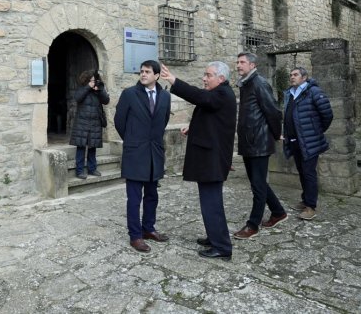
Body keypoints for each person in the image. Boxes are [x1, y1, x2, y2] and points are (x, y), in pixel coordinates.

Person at [160, 61, 236, 261]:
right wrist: (192, 128)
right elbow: (212, 121)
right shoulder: (219, 94)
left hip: (212, 159)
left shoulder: (222, 94)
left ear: (221, 78)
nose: (204, 78)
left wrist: (174, 81)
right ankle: (214, 237)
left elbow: (201, 98)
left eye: (208, 75)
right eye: (204, 74)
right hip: (209, 157)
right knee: (209, 201)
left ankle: (222, 246)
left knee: (212, 203)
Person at [114, 60, 171, 253]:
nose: (143, 74)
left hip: (154, 153)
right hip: (135, 153)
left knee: (152, 196)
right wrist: (133, 141)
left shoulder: (165, 96)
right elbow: (119, 122)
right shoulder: (129, 94)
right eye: (141, 71)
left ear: (156, 75)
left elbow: (162, 121)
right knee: (134, 198)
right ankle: (135, 236)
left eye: (147, 72)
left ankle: (148, 229)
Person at [233, 52, 287, 240]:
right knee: (259, 182)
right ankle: (278, 212)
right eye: (237, 62)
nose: (238, 65)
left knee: (257, 185)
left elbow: (273, 111)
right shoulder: (246, 83)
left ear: (252, 65)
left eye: (242, 62)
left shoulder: (259, 83)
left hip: (259, 142)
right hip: (250, 142)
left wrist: (275, 133)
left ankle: (253, 225)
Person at [282, 67, 333, 220]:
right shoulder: (290, 93)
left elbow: (328, 115)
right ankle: (305, 200)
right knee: (302, 171)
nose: (292, 77)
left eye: (295, 75)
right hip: (294, 140)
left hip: (309, 141)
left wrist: (316, 131)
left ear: (304, 77)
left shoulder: (314, 92)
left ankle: (311, 207)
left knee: (309, 172)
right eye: (291, 75)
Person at [69, 70, 110, 179]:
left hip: (95, 123)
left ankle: (92, 169)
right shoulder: (82, 89)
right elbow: (78, 98)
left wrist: (100, 90)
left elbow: (106, 100)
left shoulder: (98, 90)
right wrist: (88, 87)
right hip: (82, 123)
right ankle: (80, 171)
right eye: (91, 81)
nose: (94, 82)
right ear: (86, 81)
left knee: (93, 147)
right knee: (81, 147)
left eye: (94, 80)